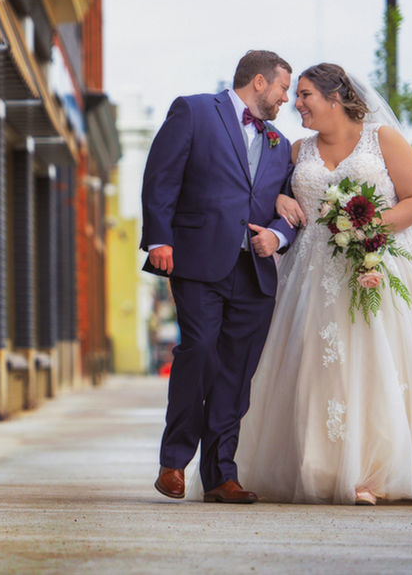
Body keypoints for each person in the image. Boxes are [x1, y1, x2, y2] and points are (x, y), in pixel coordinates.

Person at [236, 63, 412, 505]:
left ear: (334, 97)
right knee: (322, 369)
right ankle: (324, 467)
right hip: (312, 277)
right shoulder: (296, 151)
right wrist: (281, 196)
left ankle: (381, 472)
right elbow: (263, 193)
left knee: (381, 365)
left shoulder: (380, 138)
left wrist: (369, 229)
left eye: (305, 94)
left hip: (378, 265)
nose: (297, 104)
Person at [140, 50, 299, 503]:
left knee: (236, 373)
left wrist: (278, 235)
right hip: (197, 260)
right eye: (284, 88)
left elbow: (289, 205)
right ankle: (174, 461)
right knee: (201, 351)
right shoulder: (193, 110)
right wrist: (158, 239)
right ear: (260, 82)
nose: (286, 99)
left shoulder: (279, 145)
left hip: (254, 273)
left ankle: (220, 475)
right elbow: (161, 176)